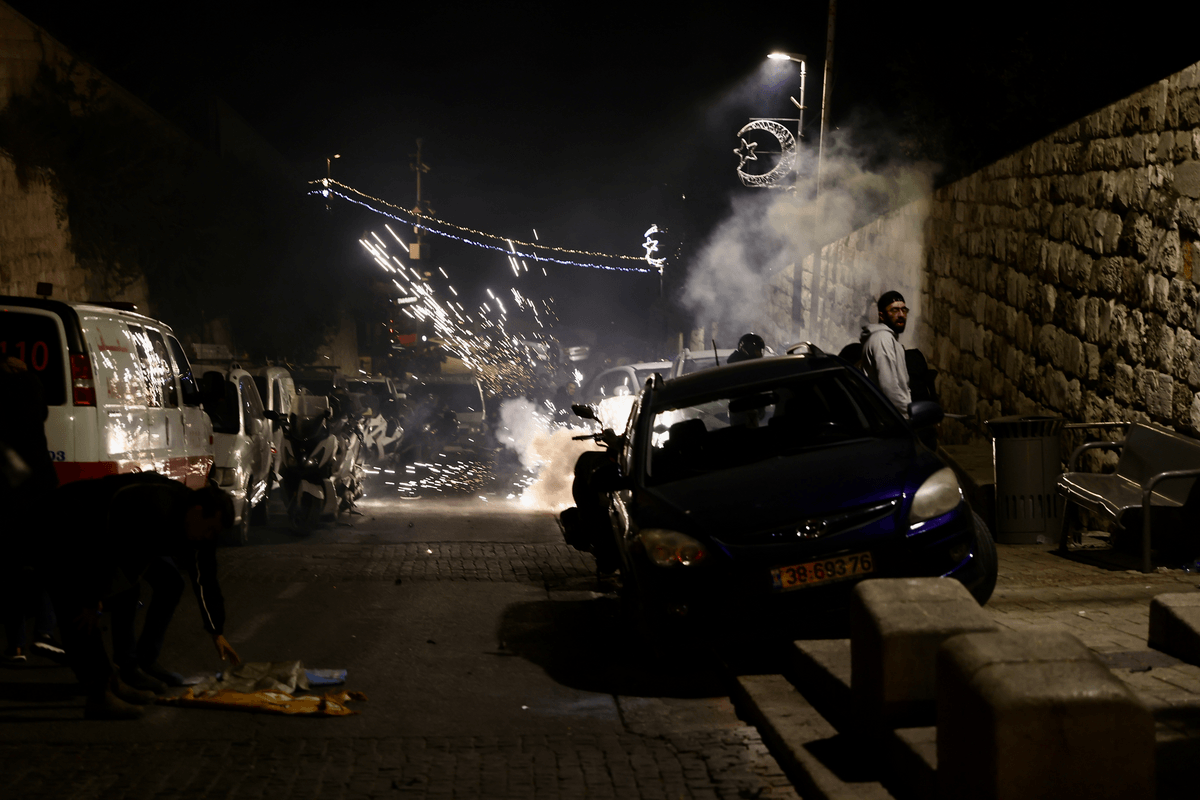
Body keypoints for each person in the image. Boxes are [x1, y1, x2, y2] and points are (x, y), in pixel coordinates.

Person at [45, 472, 241, 719]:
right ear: (197, 511)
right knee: (78, 611)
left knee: (153, 586)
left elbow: (206, 576)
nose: (208, 538)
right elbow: (111, 552)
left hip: (111, 539)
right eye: (210, 530)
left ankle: (124, 672)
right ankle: (99, 692)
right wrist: (92, 598)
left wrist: (216, 629)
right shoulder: (155, 509)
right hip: (69, 524)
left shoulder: (197, 527)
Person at [0, 357, 64, 664]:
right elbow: (42, 413)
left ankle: (15, 646)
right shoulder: (29, 385)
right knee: (47, 560)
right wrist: (28, 374)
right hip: (39, 484)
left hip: (7, 488)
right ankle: (44, 632)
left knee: (11, 567)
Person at [860, 291, 912, 416]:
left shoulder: (888, 339)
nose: (901, 315)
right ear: (882, 316)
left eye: (904, 310)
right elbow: (890, 389)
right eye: (894, 310)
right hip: (890, 422)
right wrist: (907, 417)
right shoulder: (883, 339)